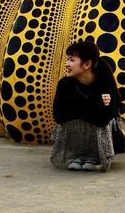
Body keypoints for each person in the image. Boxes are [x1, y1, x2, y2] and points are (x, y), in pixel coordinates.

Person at [50, 38, 120, 172]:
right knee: (70, 123)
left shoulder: (105, 79)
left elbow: (104, 118)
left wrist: (74, 106)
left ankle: (96, 156)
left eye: (71, 60)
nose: (67, 64)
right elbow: (59, 116)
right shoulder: (65, 83)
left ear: (87, 64)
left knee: (99, 124)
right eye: (67, 59)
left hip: (105, 129)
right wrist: (95, 102)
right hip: (84, 126)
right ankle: (76, 154)